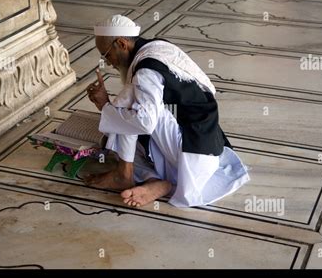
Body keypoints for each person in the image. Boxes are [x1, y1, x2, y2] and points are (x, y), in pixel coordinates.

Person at [85, 15, 249, 208]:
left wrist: (105, 105)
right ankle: (156, 182)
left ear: (121, 43)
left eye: (106, 55)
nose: (109, 63)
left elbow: (144, 123)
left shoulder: (146, 72)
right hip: (204, 147)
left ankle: (125, 175)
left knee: (129, 102)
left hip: (190, 152)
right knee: (117, 138)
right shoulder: (157, 47)